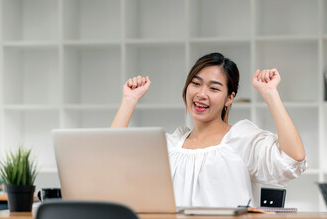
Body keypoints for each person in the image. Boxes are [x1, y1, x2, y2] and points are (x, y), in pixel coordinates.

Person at [111, 52, 307, 207]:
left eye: (214, 88)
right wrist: (129, 100)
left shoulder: (241, 140)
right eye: (195, 84)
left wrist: (271, 93)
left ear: (229, 99)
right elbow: (111, 160)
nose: (201, 94)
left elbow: (293, 158)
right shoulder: (170, 146)